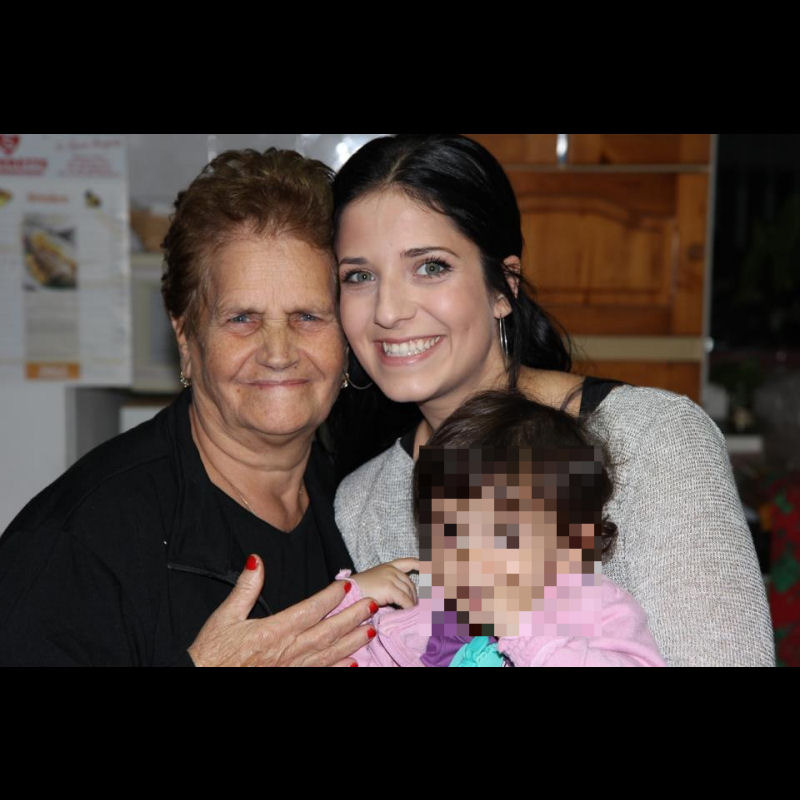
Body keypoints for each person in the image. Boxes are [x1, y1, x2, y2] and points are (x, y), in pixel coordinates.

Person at [330, 133, 775, 667]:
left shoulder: (654, 439)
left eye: (431, 266)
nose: (387, 310)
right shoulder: (362, 502)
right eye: (359, 276)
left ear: (504, 286)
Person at [0, 148, 376, 667]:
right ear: (186, 338)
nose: (278, 352)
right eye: (242, 318)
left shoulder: (362, 506)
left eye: (308, 316)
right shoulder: (79, 541)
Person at [332, 390, 666, 667]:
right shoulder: (434, 616)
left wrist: (528, 635)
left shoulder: (595, 606)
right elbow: (336, 654)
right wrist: (355, 600)